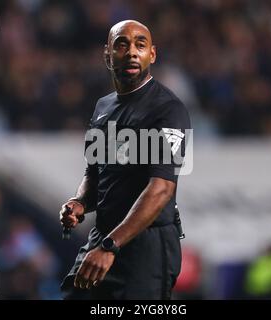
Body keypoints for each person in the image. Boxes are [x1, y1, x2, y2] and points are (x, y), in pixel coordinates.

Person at [59, 20, 191, 300]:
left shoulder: (169, 110)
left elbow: (162, 189)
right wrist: (80, 203)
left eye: (140, 45)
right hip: (104, 237)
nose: (132, 51)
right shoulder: (103, 107)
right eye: (122, 44)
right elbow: (94, 174)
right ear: (107, 55)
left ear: (151, 55)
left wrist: (110, 247)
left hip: (146, 247)